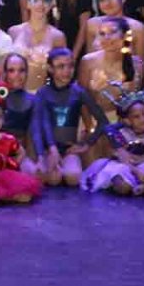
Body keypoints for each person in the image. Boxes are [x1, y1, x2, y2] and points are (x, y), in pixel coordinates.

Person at [30, 48, 111, 187]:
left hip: (69, 150)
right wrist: (41, 155)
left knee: (73, 177)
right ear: (50, 68)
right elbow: (37, 125)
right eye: (61, 66)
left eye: (70, 66)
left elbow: (103, 121)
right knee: (53, 179)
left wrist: (86, 144)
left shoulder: (78, 92)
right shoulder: (43, 93)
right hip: (48, 149)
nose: (67, 71)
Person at [79, 93, 144, 196]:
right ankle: (121, 185)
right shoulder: (122, 133)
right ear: (127, 121)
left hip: (142, 164)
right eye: (136, 117)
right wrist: (136, 171)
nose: (143, 119)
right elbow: (120, 156)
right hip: (124, 165)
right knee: (118, 171)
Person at [78, 17, 144, 122]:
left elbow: (133, 103)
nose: (107, 38)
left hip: (124, 122)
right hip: (94, 118)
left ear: (124, 35)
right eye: (102, 34)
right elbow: (82, 100)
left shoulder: (137, 64)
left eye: (112, 32)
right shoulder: (88, 61)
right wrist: (90, 126)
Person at [10, 0, 67, 92]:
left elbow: (62, 72)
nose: (40, 5)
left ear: (51, 3)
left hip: (43, 94)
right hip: (14, 94)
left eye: (45, 0)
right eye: (35, 0)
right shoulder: (13, 32)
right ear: (28, 3)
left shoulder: (58, 36)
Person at [87, 0, 144, 64]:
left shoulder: (138, 28)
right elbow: (88, 61)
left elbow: (141, 64)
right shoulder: (92, 24)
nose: (107, 3)